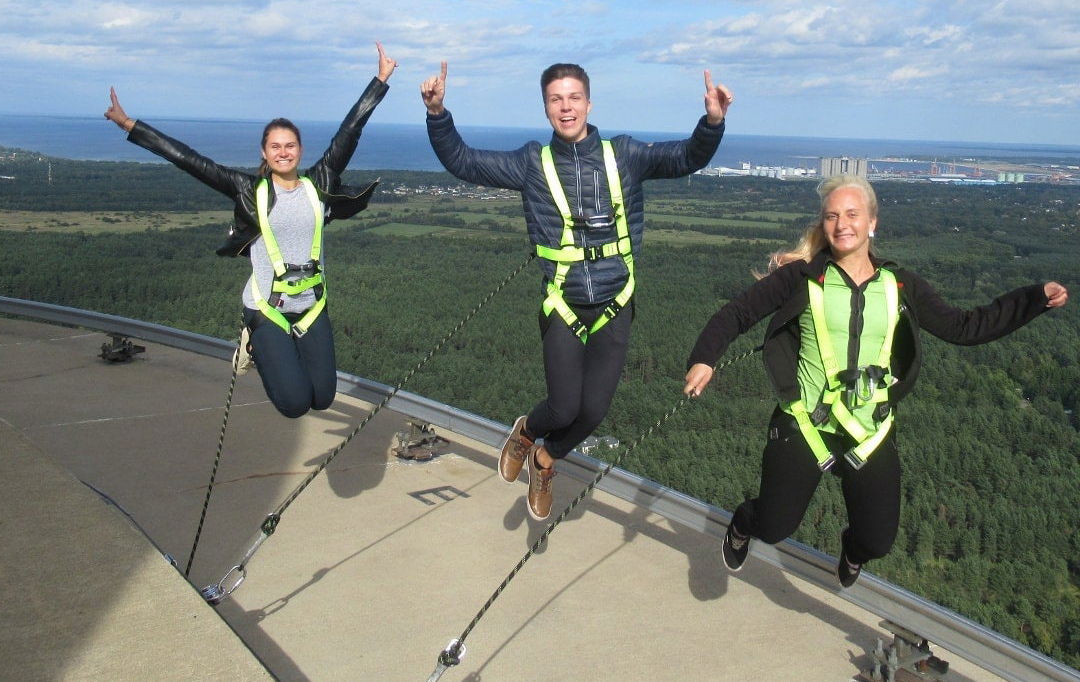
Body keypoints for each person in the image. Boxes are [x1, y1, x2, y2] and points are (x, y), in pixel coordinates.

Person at [683, 175, 1069, 587]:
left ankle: (854, 549)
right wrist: (704, 359)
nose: (841, 224)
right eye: (832, 216)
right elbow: (736, 314)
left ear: (873, 223)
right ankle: (744, 523)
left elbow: (964, 326)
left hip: (870, 427)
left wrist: (1034, 299)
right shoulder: (801, 279)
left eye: (852, 214)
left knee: (876, 540)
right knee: (774, 526)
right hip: (806, 422)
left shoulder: (899, 285)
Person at [420, 61, 731, 520]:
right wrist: (437, 113)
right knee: (563, 407)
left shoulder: (623, 154)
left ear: (588, 101)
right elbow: (464, 162)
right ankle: (528, 431)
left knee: (593, 412)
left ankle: (545, 459)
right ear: (546, 106)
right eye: (555, 99)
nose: (565, 108)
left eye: (573, 98)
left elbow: (686, 158)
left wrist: (712, 123)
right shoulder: (531, 163)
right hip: (563, 301)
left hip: (615, 301)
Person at [104, 43, 397, 418]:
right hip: (266, 306)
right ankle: (255, 346)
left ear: (301, 150)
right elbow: (189, 160)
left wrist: (381, 79)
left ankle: (282, 355)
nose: (283, 152)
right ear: (264, 152)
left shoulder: (318, 181)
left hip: (311, 304)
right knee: (294, 405)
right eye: (275, 146)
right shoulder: (247, 190)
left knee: (322, 398)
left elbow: (349, 131)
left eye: (290, 145)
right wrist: (130, 125)